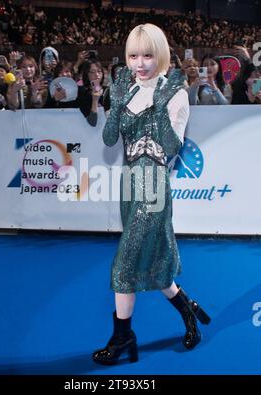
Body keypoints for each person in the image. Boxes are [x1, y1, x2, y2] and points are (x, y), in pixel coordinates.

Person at [92, 23, 211, 366]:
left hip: (154, 184)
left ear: (160, 55)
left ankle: (122, 335)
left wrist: (160, 105)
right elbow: (110, 140)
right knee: (156, 265)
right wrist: (115, 103)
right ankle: (188, 309)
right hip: (129, 183)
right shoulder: (126, 88)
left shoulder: (173, 91)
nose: (140, 63)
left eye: (147, 55)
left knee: (125, 263)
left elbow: (173, 146)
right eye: (133, 55)